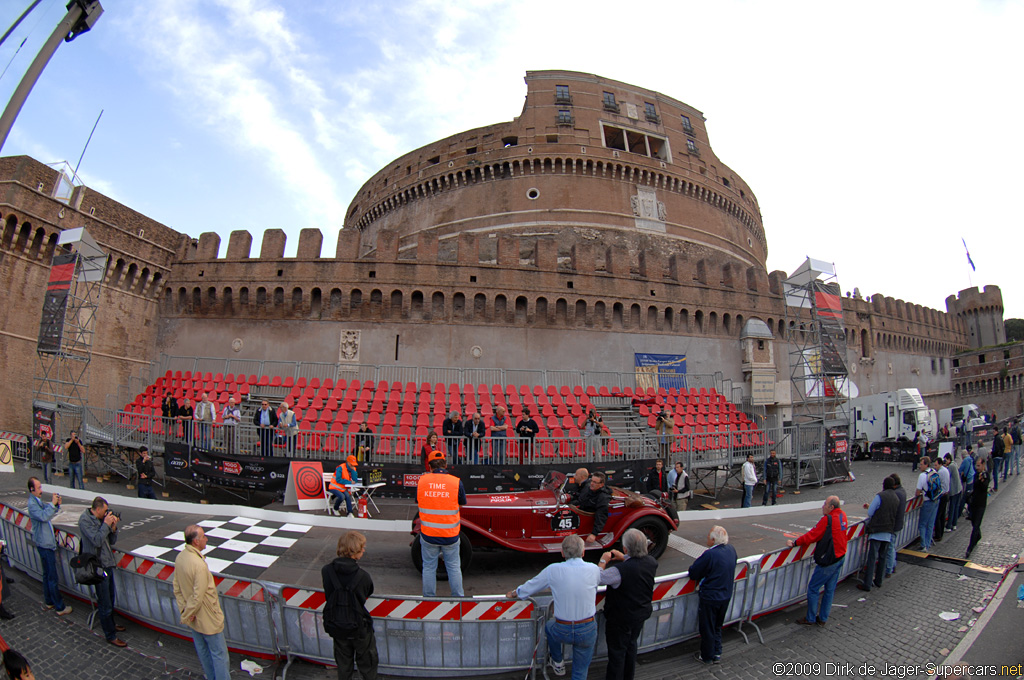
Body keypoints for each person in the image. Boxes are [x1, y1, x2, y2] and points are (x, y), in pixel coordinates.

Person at [507, 535, 600, 680]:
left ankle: (557, 661)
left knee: (549, 626)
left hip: (562, 629)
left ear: (562, 553)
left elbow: (531, 586)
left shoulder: (552, 570)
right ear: (583, 553)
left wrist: (514, 593)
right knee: (580, 673)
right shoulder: (594, 569)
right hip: (587, 628)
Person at [597, 529, 657, 680]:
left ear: (625, 548)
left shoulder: (618, 571)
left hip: (620, 618)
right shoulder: (651, 563)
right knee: (631, 646)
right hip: (640, 614)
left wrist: (603, 560)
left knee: (617, 653)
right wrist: (624, 557)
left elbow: (598, 578)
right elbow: (636, 565)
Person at [173, 525, 231, 680]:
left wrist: (185, 612)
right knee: (219, 655)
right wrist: (188, 613)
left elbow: (177, 588)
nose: (206, 539)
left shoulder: (180, 557)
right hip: (207, 618)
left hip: (193, 618)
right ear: (196, 542)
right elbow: (198, 596)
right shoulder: (198, 565)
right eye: (204, 536)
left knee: (204, 652)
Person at [322, 531, 378, 680]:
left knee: (343, 665)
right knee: (367, 665)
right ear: (354, 551)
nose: (364, 550)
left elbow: (329, 593)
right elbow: (368, 592)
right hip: (359, 627)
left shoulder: (327, 571)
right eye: (362, 548)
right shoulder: (363, 576)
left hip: (337, 625)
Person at [789, 496, 848, 627]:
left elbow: (812, 535)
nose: (823, 506)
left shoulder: (827, 520)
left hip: (829, 560)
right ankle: (823, 618)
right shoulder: (842, 515)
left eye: (825, 504)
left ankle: (810, 617)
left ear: (831, 507)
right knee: (829, 589)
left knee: (813, 588)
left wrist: (795, 543)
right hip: (840, 556)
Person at [78, 496, 127, 647]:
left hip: (107, 564)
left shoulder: (101, 519)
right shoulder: (85, 521)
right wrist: (106, 524)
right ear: (97, 509)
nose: (107, 514)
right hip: (98, 567)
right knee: (104, 601)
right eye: (105, 511)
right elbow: (97, 540)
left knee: (110, 597)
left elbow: (110, 541)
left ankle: (111, 624)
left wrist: (113, 528)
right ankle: (110, 635)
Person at [417, 450, 466, 597]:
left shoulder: (422, 481)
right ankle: (459, 599)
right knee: (454, 567)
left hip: (428, 534)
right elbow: (461, 504)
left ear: (429, 466)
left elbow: (419, 501)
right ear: (446, 465)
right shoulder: (456, 482)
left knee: (429, 568)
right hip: (450, 534)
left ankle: (429, 599)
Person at [689, 526, 738, 664]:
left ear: (713, 539)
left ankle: (707, 655)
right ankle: (717, 652)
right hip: (725, 594)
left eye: (708, 537)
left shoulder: (710, 554)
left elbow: (694, 572)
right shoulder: (731, 550)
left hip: (711, 596)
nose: (707, 539)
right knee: (717, 625)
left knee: (707, 627)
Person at [26, 477, 72, 617]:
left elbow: (48, 510)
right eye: (39, 488)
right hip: (45, 544)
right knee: (52, 577)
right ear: (32, 489)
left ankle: (49, 601)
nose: (41, 490)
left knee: (47, 575)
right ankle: (59, 607)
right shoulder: (32, 504)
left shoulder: (37, 501)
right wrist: (53, 505)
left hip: (44, 543)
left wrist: (55, 505)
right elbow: (44, 516)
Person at [857, 477, 899, 593]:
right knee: (882, 557)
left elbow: (871, 512)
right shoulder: (896, 498)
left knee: (872, 558)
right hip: (888, 531)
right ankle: (879, 581)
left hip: (877, 531)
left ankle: (867, 584)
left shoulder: (880, 496)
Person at [574, 471, 611, 544]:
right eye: (591, 481)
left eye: (595, 482)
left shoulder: (602, 497)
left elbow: (601, 515)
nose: (591, 483)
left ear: (601, 485)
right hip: (580, 512)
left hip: (586, 521)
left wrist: (594, 534)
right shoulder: (588, 489)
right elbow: (581, 500)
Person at [965, 459, 990, 559]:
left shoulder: (986, 475)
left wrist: (981, 480)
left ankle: (970, 548)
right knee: (974, 523)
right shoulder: (976, 474)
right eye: (976, 465)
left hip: (981, 504)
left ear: (983, 465)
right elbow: (974, 486)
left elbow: (984, 487)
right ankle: (978, 536)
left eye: (979, 466)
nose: (977, 467)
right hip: (974, 503)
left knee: (976, 526)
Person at [914, 456, 939, 552]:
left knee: (922, 524)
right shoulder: (934, 472)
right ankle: (928, 544)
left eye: (921, 464)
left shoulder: (922, 476)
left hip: (927, 501)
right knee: (930, 524)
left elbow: (917, 492)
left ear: (926, 464)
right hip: (935, 500)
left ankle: (923, 545)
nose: (920, 466)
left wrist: (920, 493)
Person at [885, 474, 907, 577]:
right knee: (892, 546)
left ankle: (889, 568)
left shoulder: (896, 494)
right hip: (898, 523)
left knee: (890, 547)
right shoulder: (902, 491)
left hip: (894, 524)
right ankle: (892, 565)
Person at [933, 455, 950, 542]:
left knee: (938, 516)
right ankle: (941, 533)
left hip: (942, 495)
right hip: (946, 494)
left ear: (940, 464)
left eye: (936, 465)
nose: (935, 467)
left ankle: (938, 535)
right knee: (942, 515)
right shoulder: (945, 470)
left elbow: (936, 483)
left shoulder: (940, 472)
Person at [956, 446, 975, 526]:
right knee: (970, 496)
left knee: (965, 498)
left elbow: (960, 470)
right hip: (972, 478)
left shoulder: (965, 460)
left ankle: (959, 513)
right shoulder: (970, 459)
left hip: (969, 480)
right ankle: (970, 512)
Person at [944, 454, 962, 534]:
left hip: (954, 490)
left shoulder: (951, 466)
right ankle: (954, 524)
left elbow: (947, 475)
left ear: (948, 459)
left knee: (952, 508)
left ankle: (949, 526)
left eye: (945, 460)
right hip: (959, 489)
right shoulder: (954, 464)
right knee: (956, 507)